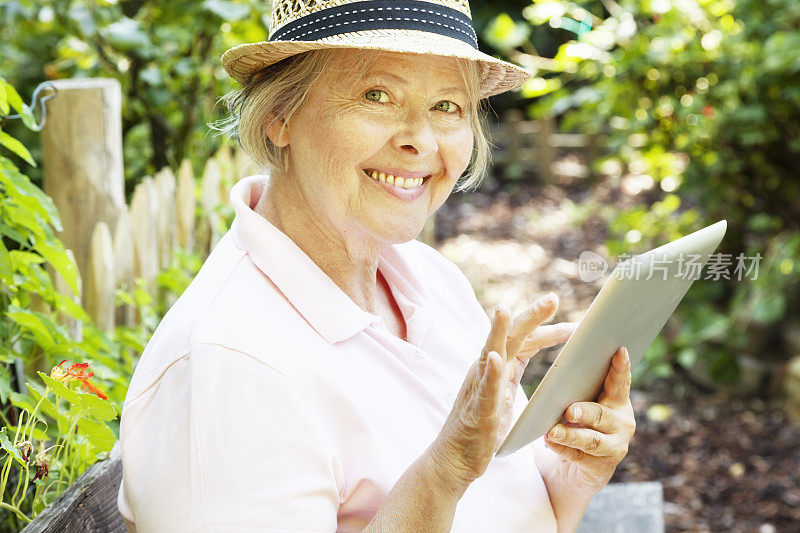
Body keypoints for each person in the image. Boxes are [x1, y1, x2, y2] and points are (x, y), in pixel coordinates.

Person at [117, 0, 636, 531]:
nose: (421, 140)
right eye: (377, 95)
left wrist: (576, 464)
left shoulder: (429, 278)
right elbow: (457, 475)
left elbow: (510, 499)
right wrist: (447, 468)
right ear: (279, 115)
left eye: (448, 106)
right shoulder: (226, 367)